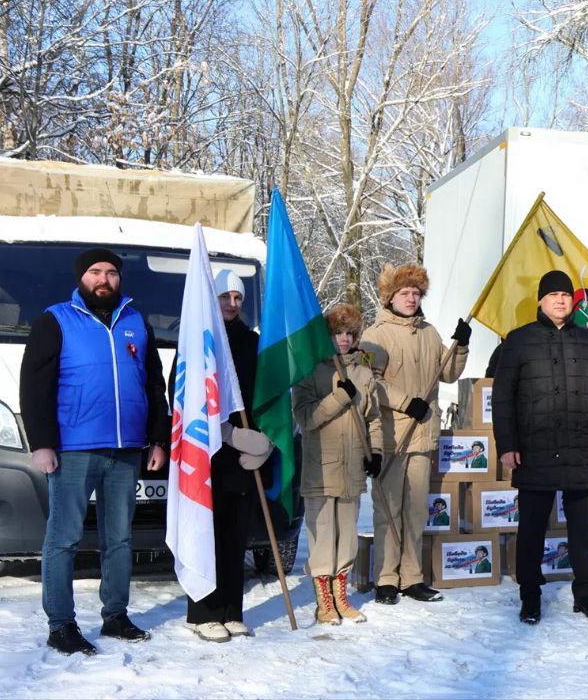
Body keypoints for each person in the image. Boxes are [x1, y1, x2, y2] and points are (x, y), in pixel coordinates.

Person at [19, 248, 170, 655]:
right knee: (64, 539)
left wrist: (158, 438)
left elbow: (154, 384)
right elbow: (34, 387)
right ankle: (61, 624)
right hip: (72, 450)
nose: (104, 279)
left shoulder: (135, 322)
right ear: (81, 277)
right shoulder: (56, 320)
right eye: (95, 272)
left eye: (111, 273)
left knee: (119, 538)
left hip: (126, 450)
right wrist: (42, 443)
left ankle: (115, 616)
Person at [492, 270, 588, 625]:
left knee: (583, 529)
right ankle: (530, 597)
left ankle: (587, 596)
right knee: (531, 529)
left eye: (566, 295)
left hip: (581, 448)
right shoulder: (518, 340)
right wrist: (507, 445)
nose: (561, 301)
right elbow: (503, 399)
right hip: (535, 449)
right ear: (541, 301)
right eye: (553, 296)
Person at [362, 264, 470, 604]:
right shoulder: (374, 335)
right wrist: (406, 403)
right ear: (390, 297)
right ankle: (385, 578)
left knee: (415, 511)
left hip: (422, 437)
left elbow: (448, 373)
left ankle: (411, 578)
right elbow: (369, 382)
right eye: (404, 293)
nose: (410, 299)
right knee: (388, 509)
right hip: (390, 436)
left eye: (415, 293)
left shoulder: (429, 333)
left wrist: (460, 345)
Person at [179, 269, 275, 642]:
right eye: (224, 298)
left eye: (237, 298)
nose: (232, 304)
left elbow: (263, 395)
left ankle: (231, 609)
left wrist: (262, 439)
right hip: (208, 453)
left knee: (236, 536)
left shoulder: (252, 342)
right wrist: (225, 433)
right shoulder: (198, 340)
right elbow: (186, 396)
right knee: (207, 533)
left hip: (243, 455)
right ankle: (202, 612)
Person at [293, 303, 382, 626]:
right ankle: (324, 601)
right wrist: (337, 398)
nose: (344, 340)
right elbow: (305, 417)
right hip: (320, 466)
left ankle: (341, 594)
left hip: (352, 467)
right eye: (337, 333)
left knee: (347, 534)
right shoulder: (311, 370)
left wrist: (377, 453)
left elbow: (372, 419)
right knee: (322, 534)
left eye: (349, 333)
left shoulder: (363, 371)